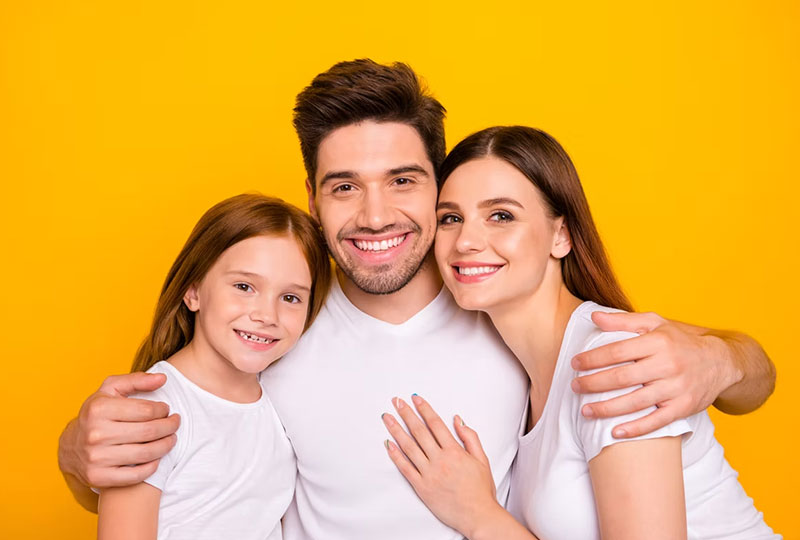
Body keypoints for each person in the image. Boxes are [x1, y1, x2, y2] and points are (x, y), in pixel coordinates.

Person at [58, 60, 776, 539]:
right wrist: (76, 457)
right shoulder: (275, 329)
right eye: (344, 187)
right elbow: (190, 470)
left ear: (439, 184)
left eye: (403, 180)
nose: (374, 216)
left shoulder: (506, 303)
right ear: (312, 197)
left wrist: (722, 358)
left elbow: (733, 376)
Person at [381, 126, 779, 539]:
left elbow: (755, 372)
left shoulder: (613, 362)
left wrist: (479, 515)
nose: (465, 241)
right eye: (451, 218)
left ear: (561, 236)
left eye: (501, 216)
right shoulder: (517, 364)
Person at [96, 194, 331, 539]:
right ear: (193, 291)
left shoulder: (281, 406)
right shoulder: (152, 411)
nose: (266, 315)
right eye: (243, 286)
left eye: (290, 298)